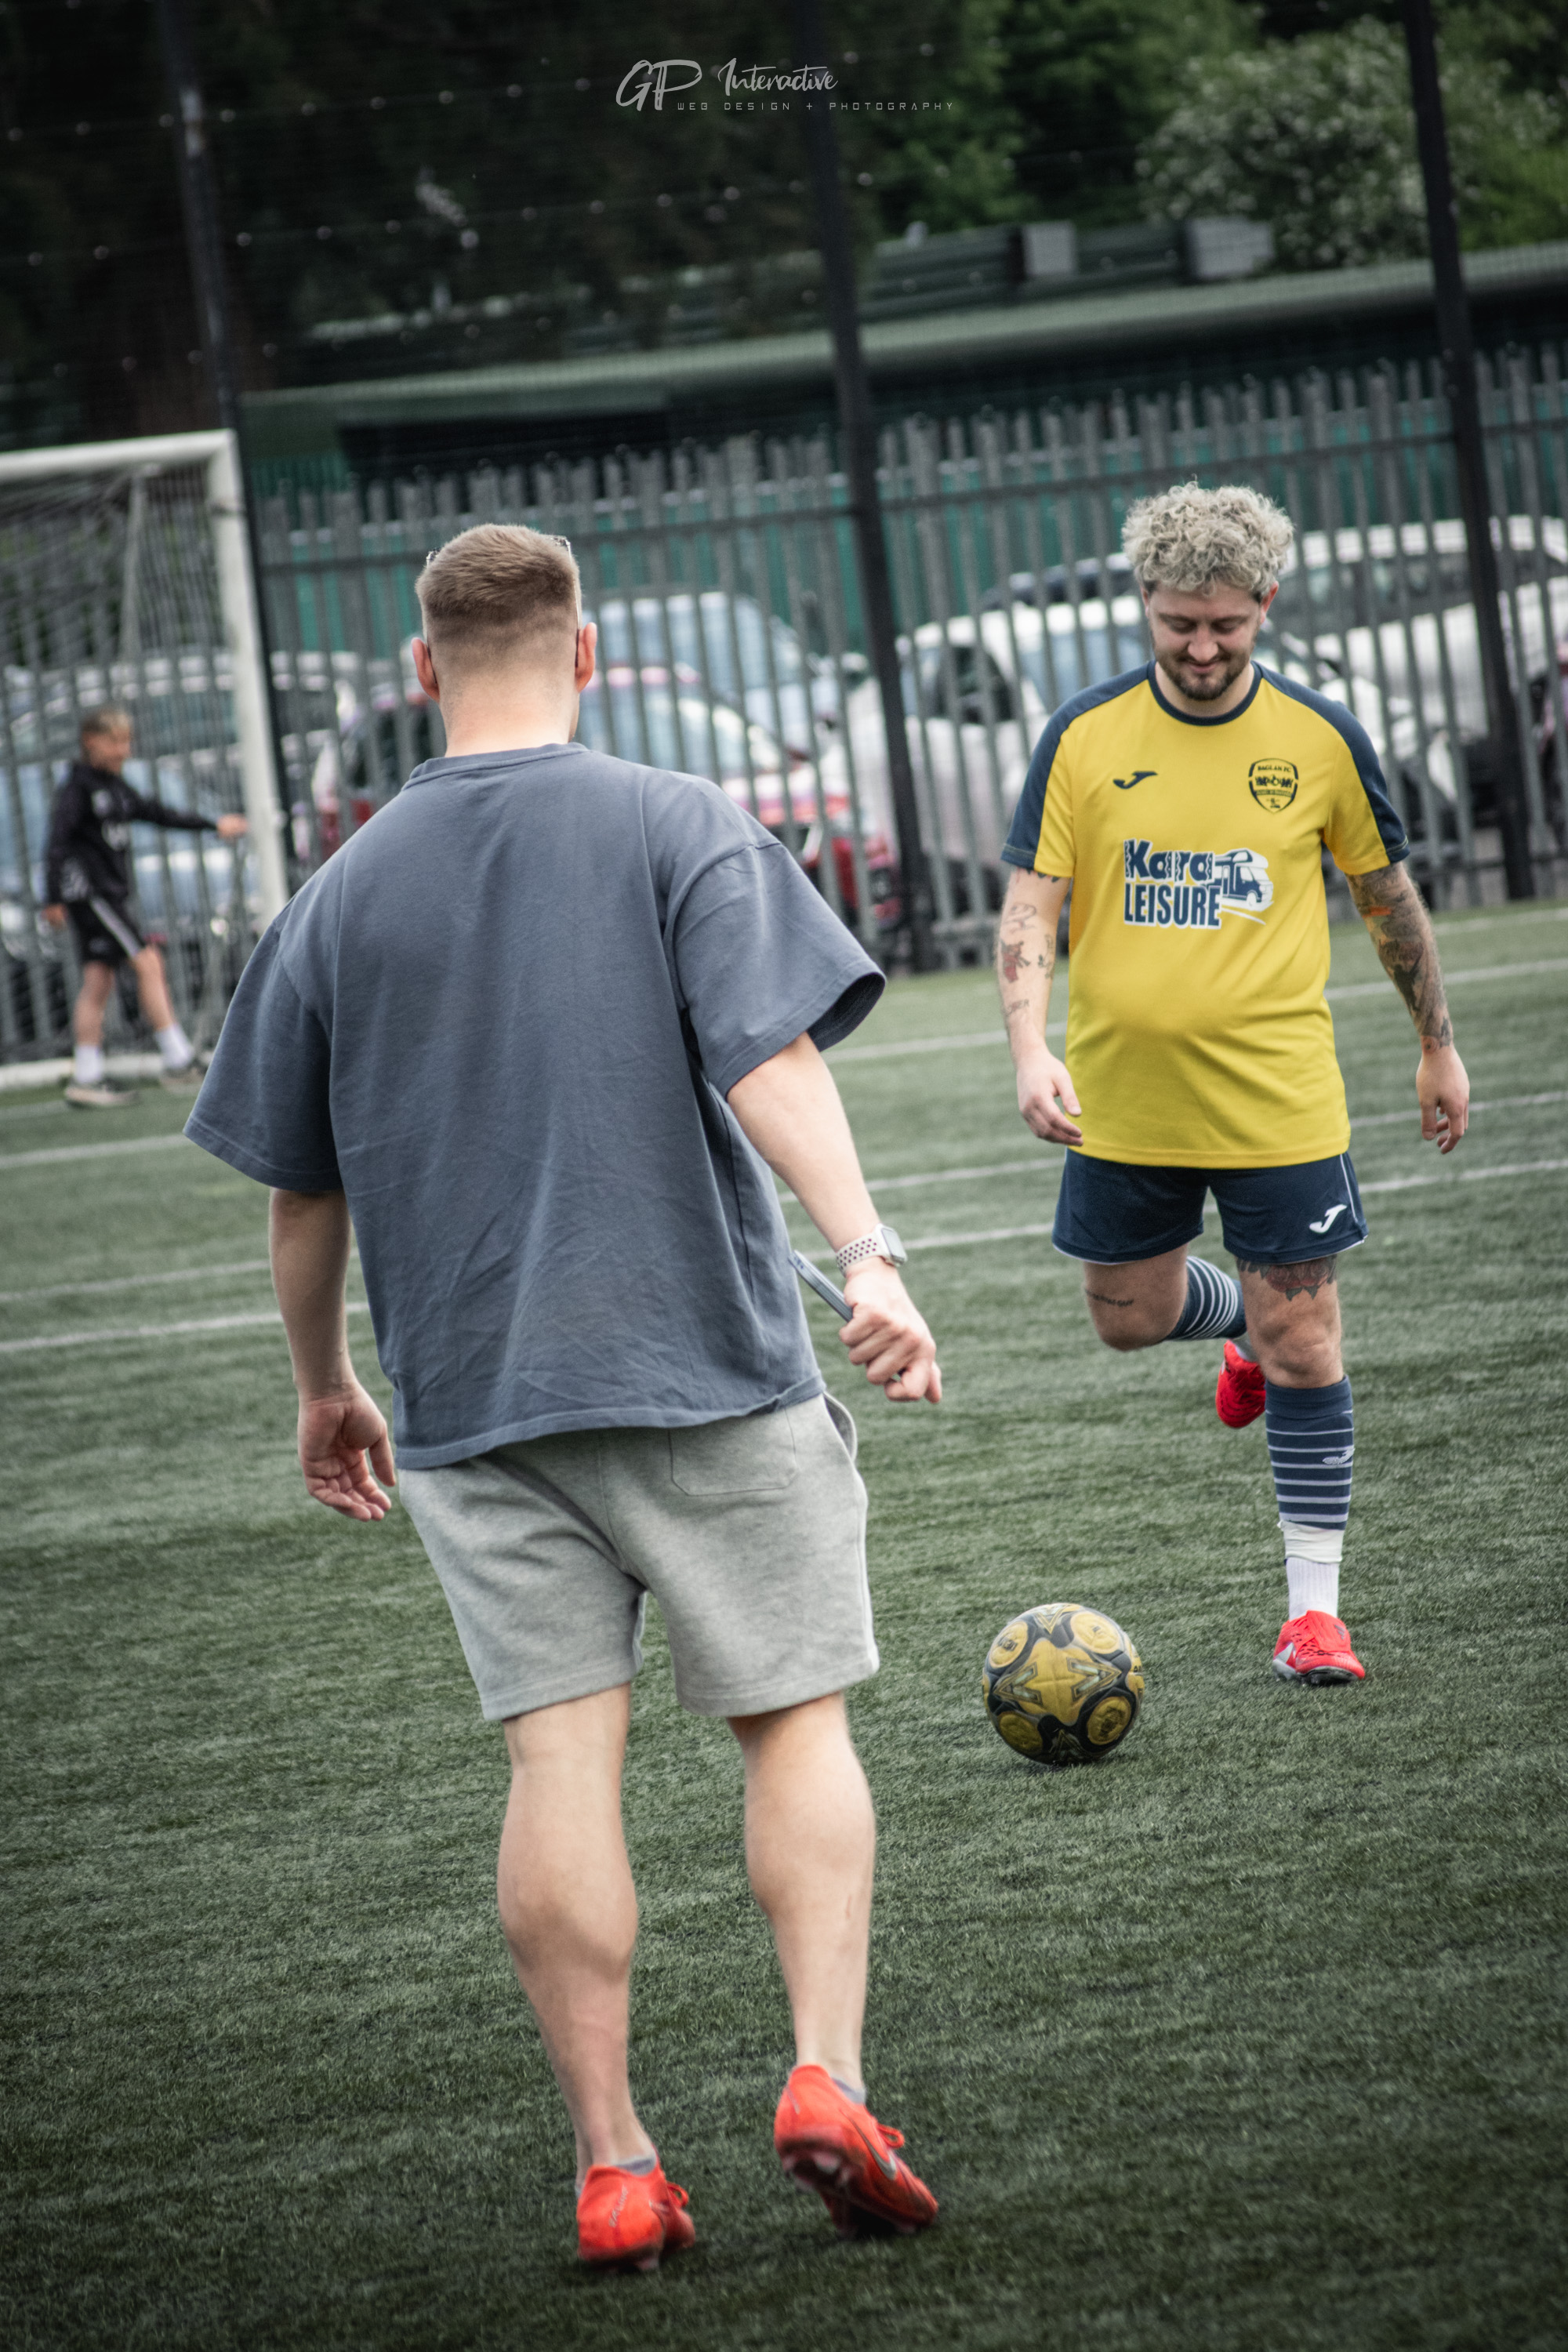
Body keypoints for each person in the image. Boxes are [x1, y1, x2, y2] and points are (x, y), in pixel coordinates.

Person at [187, 523, 943, 2270]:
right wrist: (873, 1256)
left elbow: (303, 1199)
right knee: (794, 1725)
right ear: (588, 654)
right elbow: (769, 1056)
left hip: (470, 1399)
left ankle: (613, 2163)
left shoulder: (339, 893)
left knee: (557, 1766)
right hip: (703, 1364)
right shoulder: (675, 821)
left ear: (418, 668)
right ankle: (824, 2079)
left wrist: (325, 1388)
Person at [996, 482, 1471, 1687]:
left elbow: (1386, 898)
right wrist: (1028, 1045)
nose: (1202, 649)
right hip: (1124, 1099)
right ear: (1143, 607)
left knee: (1307, 1336)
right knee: (1126, 1318)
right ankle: (1237, 1335)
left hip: (1279, 1098)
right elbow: (1031, 907)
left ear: (1265, 604)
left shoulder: (1317, 739)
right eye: (1178, 625)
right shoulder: (1083, 738)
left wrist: (1437, 1041)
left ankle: (1314, 1614)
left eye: (1226, 626)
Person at [42, 706, 248, 1107]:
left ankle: (85, 1076)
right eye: (114, 741)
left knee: (98, 981)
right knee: (148, 961)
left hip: (110, 896)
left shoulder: (116, 787)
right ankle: (179, 1057)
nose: (123, 749)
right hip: (93, 896)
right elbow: (57, 843)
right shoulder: (79, 789)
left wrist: (212, 825)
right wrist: (52, 898)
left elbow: (159, 813)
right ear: (91, 741)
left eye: (126, 741)